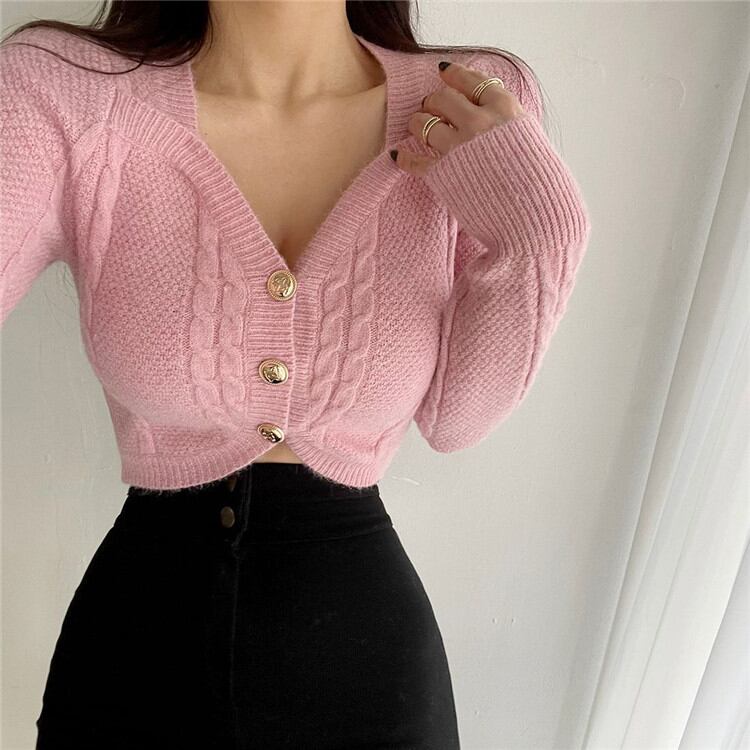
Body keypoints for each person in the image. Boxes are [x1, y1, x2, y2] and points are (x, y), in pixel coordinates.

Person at [0, 1, 592, 748]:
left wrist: (541, 236)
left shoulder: (462, 103)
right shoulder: (63, 94)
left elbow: (457, 420)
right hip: (136, 660)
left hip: (364, 674)